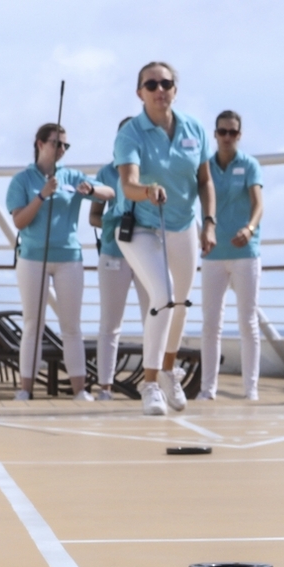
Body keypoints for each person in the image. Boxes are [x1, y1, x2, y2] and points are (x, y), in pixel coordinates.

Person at [115, 61, 216, 416]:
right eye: (151, 84)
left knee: (182, 301)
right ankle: (150, 383)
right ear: (139, 92)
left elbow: (204, 180)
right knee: (164, 295)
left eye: (166, 83)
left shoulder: (194, 128)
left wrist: (209, 223)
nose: (160, 90)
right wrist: (147, 189)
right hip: (141, 225)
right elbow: (127, 184)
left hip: (182, 224)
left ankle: (170, 370)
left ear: (175, 88)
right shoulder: (131, 133)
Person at [7, 122, 112, 401]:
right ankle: (25, 389)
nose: (61, 149)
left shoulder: (74, 176)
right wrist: (42, 195)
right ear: (40, 144)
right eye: (56, 143)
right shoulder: (22, 180)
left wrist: (90, 190)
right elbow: (19, 220)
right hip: (32, 258)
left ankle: (80, 390)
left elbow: (110, 192)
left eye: (65, 144)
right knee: (33, 324)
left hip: (69, 258)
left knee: (71, 325)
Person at [198, 110, 264, 401]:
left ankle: (251, 389)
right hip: (212, 254)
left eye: (232, 133)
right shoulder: (205, 168)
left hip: (245, 253)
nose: (227, 137)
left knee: (247, 321)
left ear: (239, 135)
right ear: (214, 134)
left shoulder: (249, 165)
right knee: (211, 323)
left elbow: (259, 203)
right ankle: (207, 389)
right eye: (222, 132)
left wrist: (250, 229)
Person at [89, 120, 149, 401]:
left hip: (148, 249)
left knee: (154, 317)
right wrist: (116, 221)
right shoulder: (105, 172)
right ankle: (105, 387)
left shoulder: (153, 170)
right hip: (114, 250)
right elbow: (93, 216)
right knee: (110, 323)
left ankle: (154, 381)